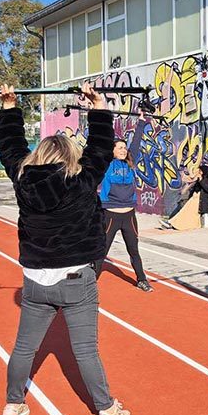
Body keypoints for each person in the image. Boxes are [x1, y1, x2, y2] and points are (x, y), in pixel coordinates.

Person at [0, 82, 131, 415]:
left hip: (35, 281)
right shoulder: (81, 180)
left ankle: (12, 405)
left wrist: (10, 108)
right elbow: (101, 147)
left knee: (24, 346)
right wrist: (98, 106)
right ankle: (106, 410)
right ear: (69, 156)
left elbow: (10, 148)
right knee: (85, 350)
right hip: (76, 280)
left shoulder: (23, 177)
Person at [93, 120, 152, 291]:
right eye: (119, 147)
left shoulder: (130, 163)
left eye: (124, 148)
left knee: (134, 250)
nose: (123, 150)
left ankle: (142, 280)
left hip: (129, 216)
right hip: (110, 215)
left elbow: (137, 141)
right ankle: (90, 282)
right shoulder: (106, 165)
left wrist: (141, 122)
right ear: (111, 150)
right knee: (101, 252)